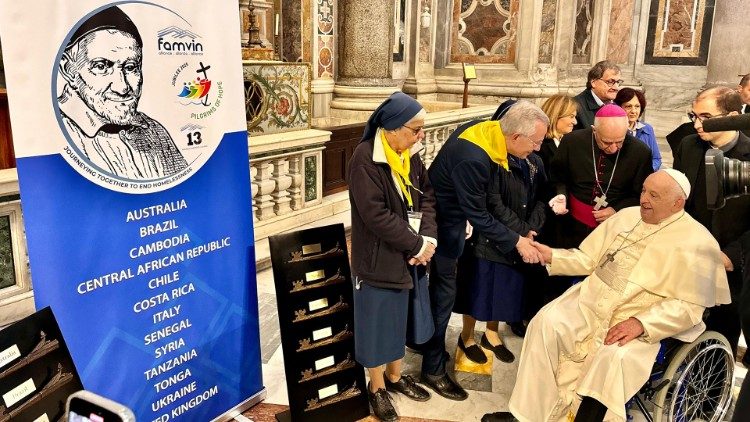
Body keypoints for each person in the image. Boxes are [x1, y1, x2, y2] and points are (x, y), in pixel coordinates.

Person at [484, 169, 730, 422]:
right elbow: (589, 259)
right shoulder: (625, 217)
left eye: (654, 195)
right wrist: (552, 255)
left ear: (677, 203)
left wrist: (641, 324)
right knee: (547, 323)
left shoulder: (698, 241)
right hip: (592, 300)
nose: (644, 199)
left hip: (640, 316)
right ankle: (528, 415)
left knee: (613, 358)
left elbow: (690, 307)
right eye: (644, 190)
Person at [423, 100, 549, 400]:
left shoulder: (486, 131)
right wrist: (518, 241)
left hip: (455, 224)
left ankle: (422, 341)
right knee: (443, 296)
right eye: (536, 142)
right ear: (516, 137)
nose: (538, 149)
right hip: (445, 230)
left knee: (438, 295)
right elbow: (478, 214)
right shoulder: (474, 157)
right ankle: (433, 368)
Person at [348, 92, 436, 421]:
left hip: (409, 253)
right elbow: (376, 215)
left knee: (401, 319)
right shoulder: (364, 159)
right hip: (379, 257)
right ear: (392, 129)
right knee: (376, 324)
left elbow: (427, 196)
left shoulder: (409, 154)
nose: (420, 136)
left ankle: (396, 377)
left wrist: (427, 238)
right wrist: (416, 245)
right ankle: (376, 387)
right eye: (416, 130)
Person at [454, 100, 547, 364]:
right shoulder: (492, 160)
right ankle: (467, 336)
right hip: (492, 237)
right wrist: (521, 230)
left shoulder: (534, 162)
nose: (537, 147)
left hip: (519, 237)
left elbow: (542, 195)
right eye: (534, 140)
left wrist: (532, 227)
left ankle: (491, 335)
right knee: (477, 291)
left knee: (503, 292)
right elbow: (491, 203)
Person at [57, 6, 187, 180]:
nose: (122, 87)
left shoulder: (153, 130)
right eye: (101, 66)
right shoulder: (57, 137)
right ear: (69, 70)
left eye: (130, 67)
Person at [672, 86, 750, 357]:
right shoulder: (688, 145)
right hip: (687, 259)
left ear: (732, 116)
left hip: (730, 269)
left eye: (705, 116)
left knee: (720, 340)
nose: (696, 124)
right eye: (693, 115)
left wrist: (731, 255)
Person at [549, 104, 652, 249]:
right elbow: (558, 177)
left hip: (615, 229)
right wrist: (561, 195)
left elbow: (641, 193)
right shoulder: (572, 142)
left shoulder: (640, 152)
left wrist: (617, 209)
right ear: (594, 130)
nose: (614, 148)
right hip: (571, 226)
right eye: (607, 142)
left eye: (620, 141)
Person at [614, 88, 661, 170]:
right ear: (619, 107)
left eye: (637, 106)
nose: (633, 111)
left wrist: (646, 172)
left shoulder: (647, 129)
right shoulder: (613, 129)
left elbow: (656, 159)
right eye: (628, 106)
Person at [573, 60, 623, 130]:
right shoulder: (574, 106)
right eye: (610, 82)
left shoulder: (617, 107)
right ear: (593, 82)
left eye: (618, 82)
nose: (616, 88)